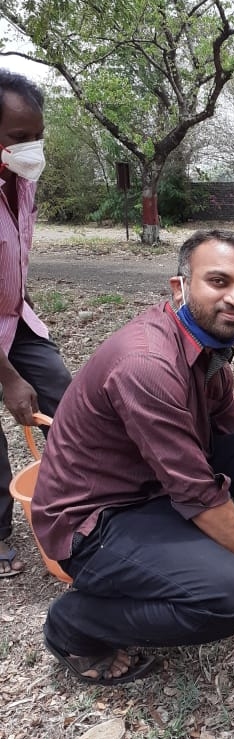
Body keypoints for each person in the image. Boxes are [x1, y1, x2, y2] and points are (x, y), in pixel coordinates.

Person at [32, 229, 234, 685]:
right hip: (93, 524)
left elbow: (225, 468)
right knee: (233, 597)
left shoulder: (210, 355)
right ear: (180, 287)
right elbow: (198, 491)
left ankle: (214, 562)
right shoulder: (148, 364)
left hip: (154, 495)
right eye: (218, 281)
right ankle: (75, 624)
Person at [0, 70, 71, 576]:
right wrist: (7, 378)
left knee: (64, 396)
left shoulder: (22, 186)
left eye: (36, 136)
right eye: (19, 138)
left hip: (13, 318)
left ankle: (83, 496)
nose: (32, 148)